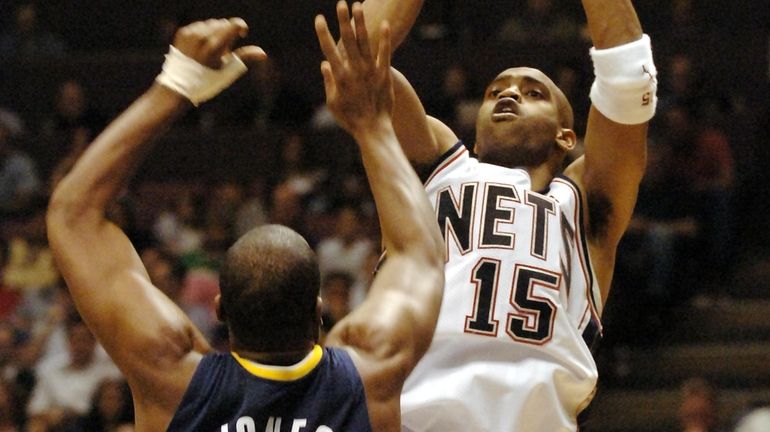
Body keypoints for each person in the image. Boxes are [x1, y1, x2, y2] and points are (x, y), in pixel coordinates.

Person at [46, 15, 444, 432]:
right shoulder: (370, 374)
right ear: (318, 312)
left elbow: (73, 214)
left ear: (220, 310)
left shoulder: (172, 379)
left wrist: (176, 85)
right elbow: (419, 254)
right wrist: (372, 124)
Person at [317, 0, 657, 430]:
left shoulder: (585, 202)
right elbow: (357, 61)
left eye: (533, 93)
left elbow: (629, 81)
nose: (510, 93)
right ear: (474, 135)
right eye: (495, 91)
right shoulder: (438, 167)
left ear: (566, 137)